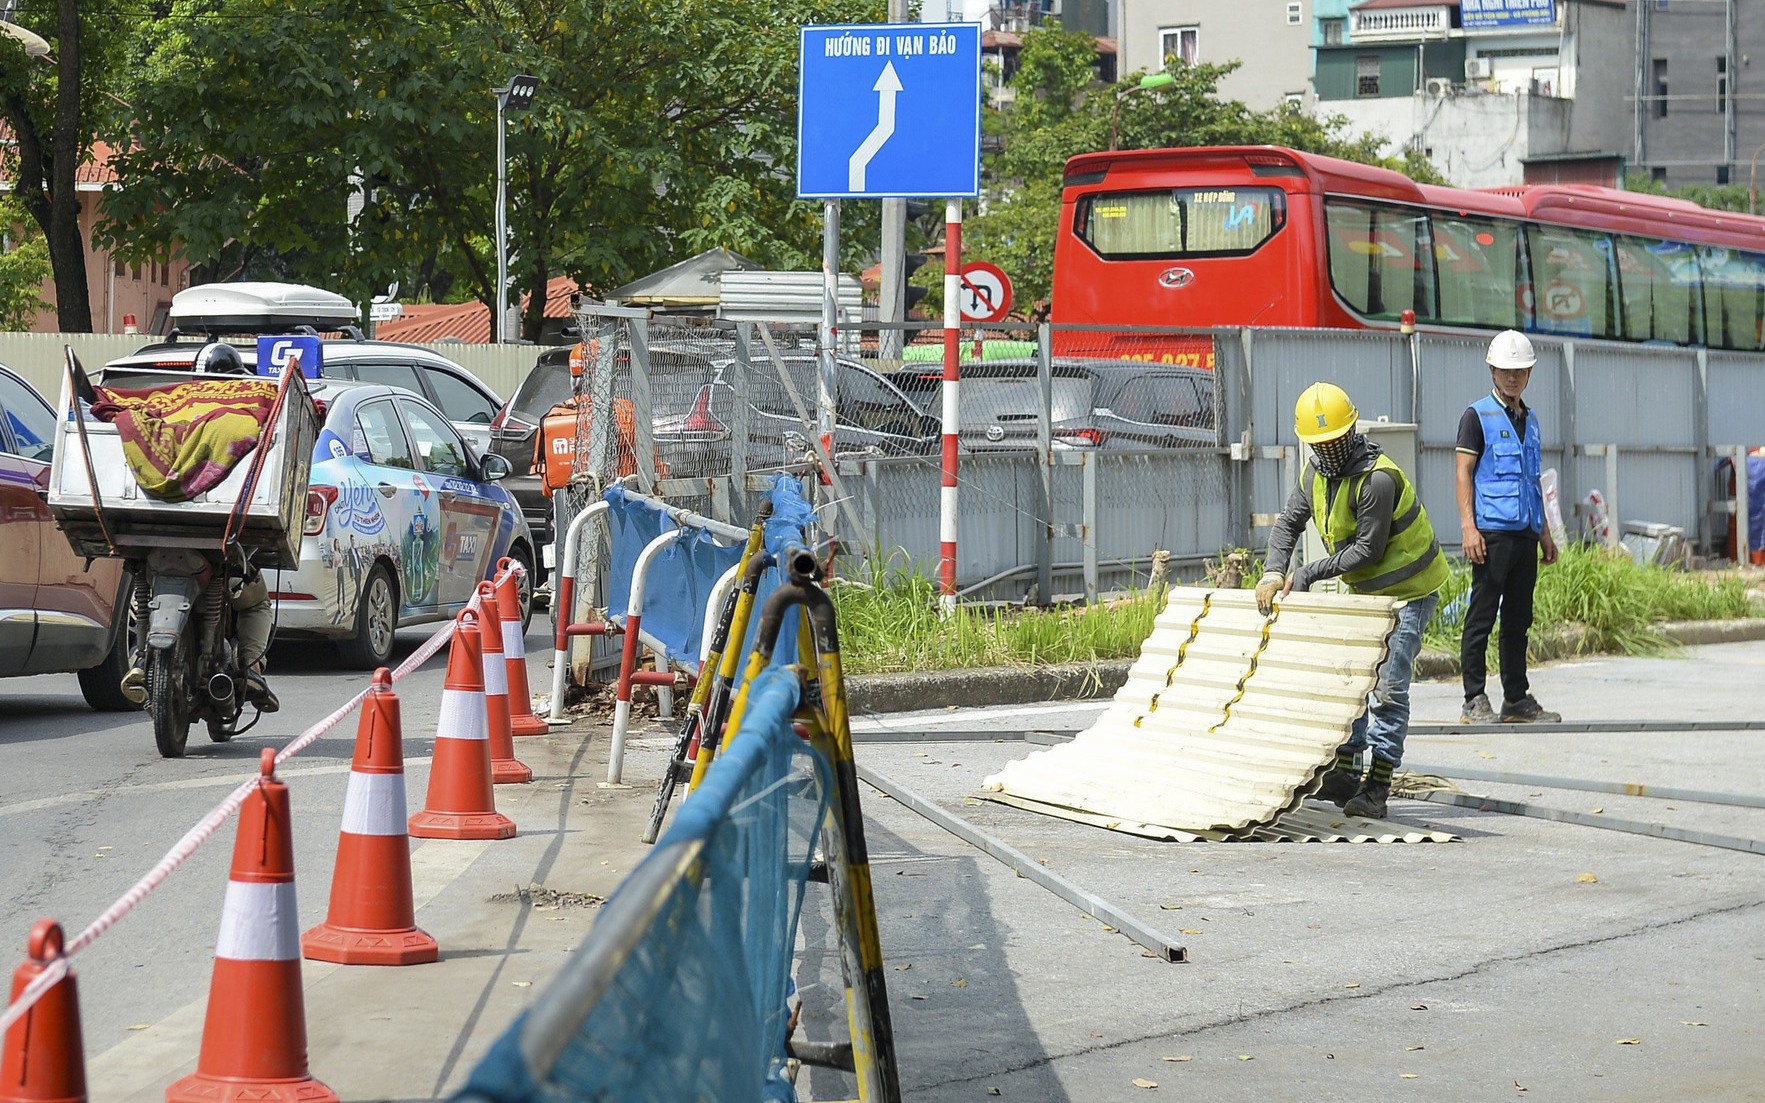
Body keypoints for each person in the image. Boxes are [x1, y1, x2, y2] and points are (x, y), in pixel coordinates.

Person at [1255, 382, 1449, 819]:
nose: (1330, 449)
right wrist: (1272, 571)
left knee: (1388, 688)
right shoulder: (1314, 475)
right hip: (1368, 593)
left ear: (1352, 430)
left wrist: (1305, 573)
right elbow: (1289, 524)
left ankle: (1377, 786)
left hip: (1410, 591)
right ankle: (1346, 774)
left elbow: (1368, 549)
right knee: (1353, 682)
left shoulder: (1377, 478)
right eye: (1320, 444)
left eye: (1336, 439)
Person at [1456, 330, 1560, 724]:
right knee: (1481, 615)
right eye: (1505, 370)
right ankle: (1473, 699)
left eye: (1519, 370)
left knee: (1519, 620)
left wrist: (1546, 532)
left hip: (1526, 533)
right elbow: (1463, 473)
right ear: (1492, 369)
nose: (1512, 377)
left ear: (1529, 372)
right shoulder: (1476, 416)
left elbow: (1533, 480)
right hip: (1491, 534)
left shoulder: (1530, 420)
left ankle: (1516, 699)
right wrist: (1468, 527)